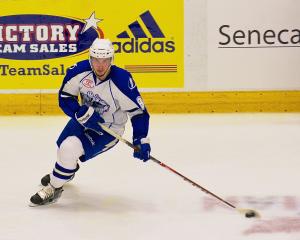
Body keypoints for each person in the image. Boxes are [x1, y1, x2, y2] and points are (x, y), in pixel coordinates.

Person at [30, 38, 151, 206]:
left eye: (105, 60)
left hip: (108, 129)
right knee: (62, 147)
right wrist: (79, 112)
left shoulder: (122, 81)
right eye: (96, 60)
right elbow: (65, 97)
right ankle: (68, 172)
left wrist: (141, 138)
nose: (100, 65)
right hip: (84, 118)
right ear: (90, 59)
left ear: (112, 60)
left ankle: (54, 188)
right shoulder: (79, 71)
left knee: (69, 148)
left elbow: (139, 113)